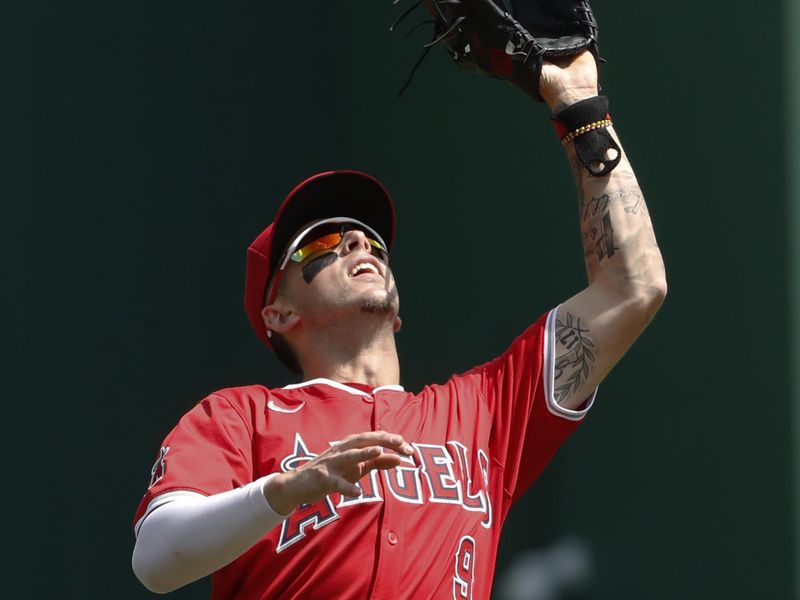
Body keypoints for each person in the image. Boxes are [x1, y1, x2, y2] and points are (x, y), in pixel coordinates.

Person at [131, 51, 666, 599]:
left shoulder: (484, 412)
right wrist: (282, 490)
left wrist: (582, 110)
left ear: (398, 309)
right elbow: (156, 559)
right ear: (279, 313)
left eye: (371, 240)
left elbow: (632, 289)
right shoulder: (240, 418)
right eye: (319, 243)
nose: (358, 242)